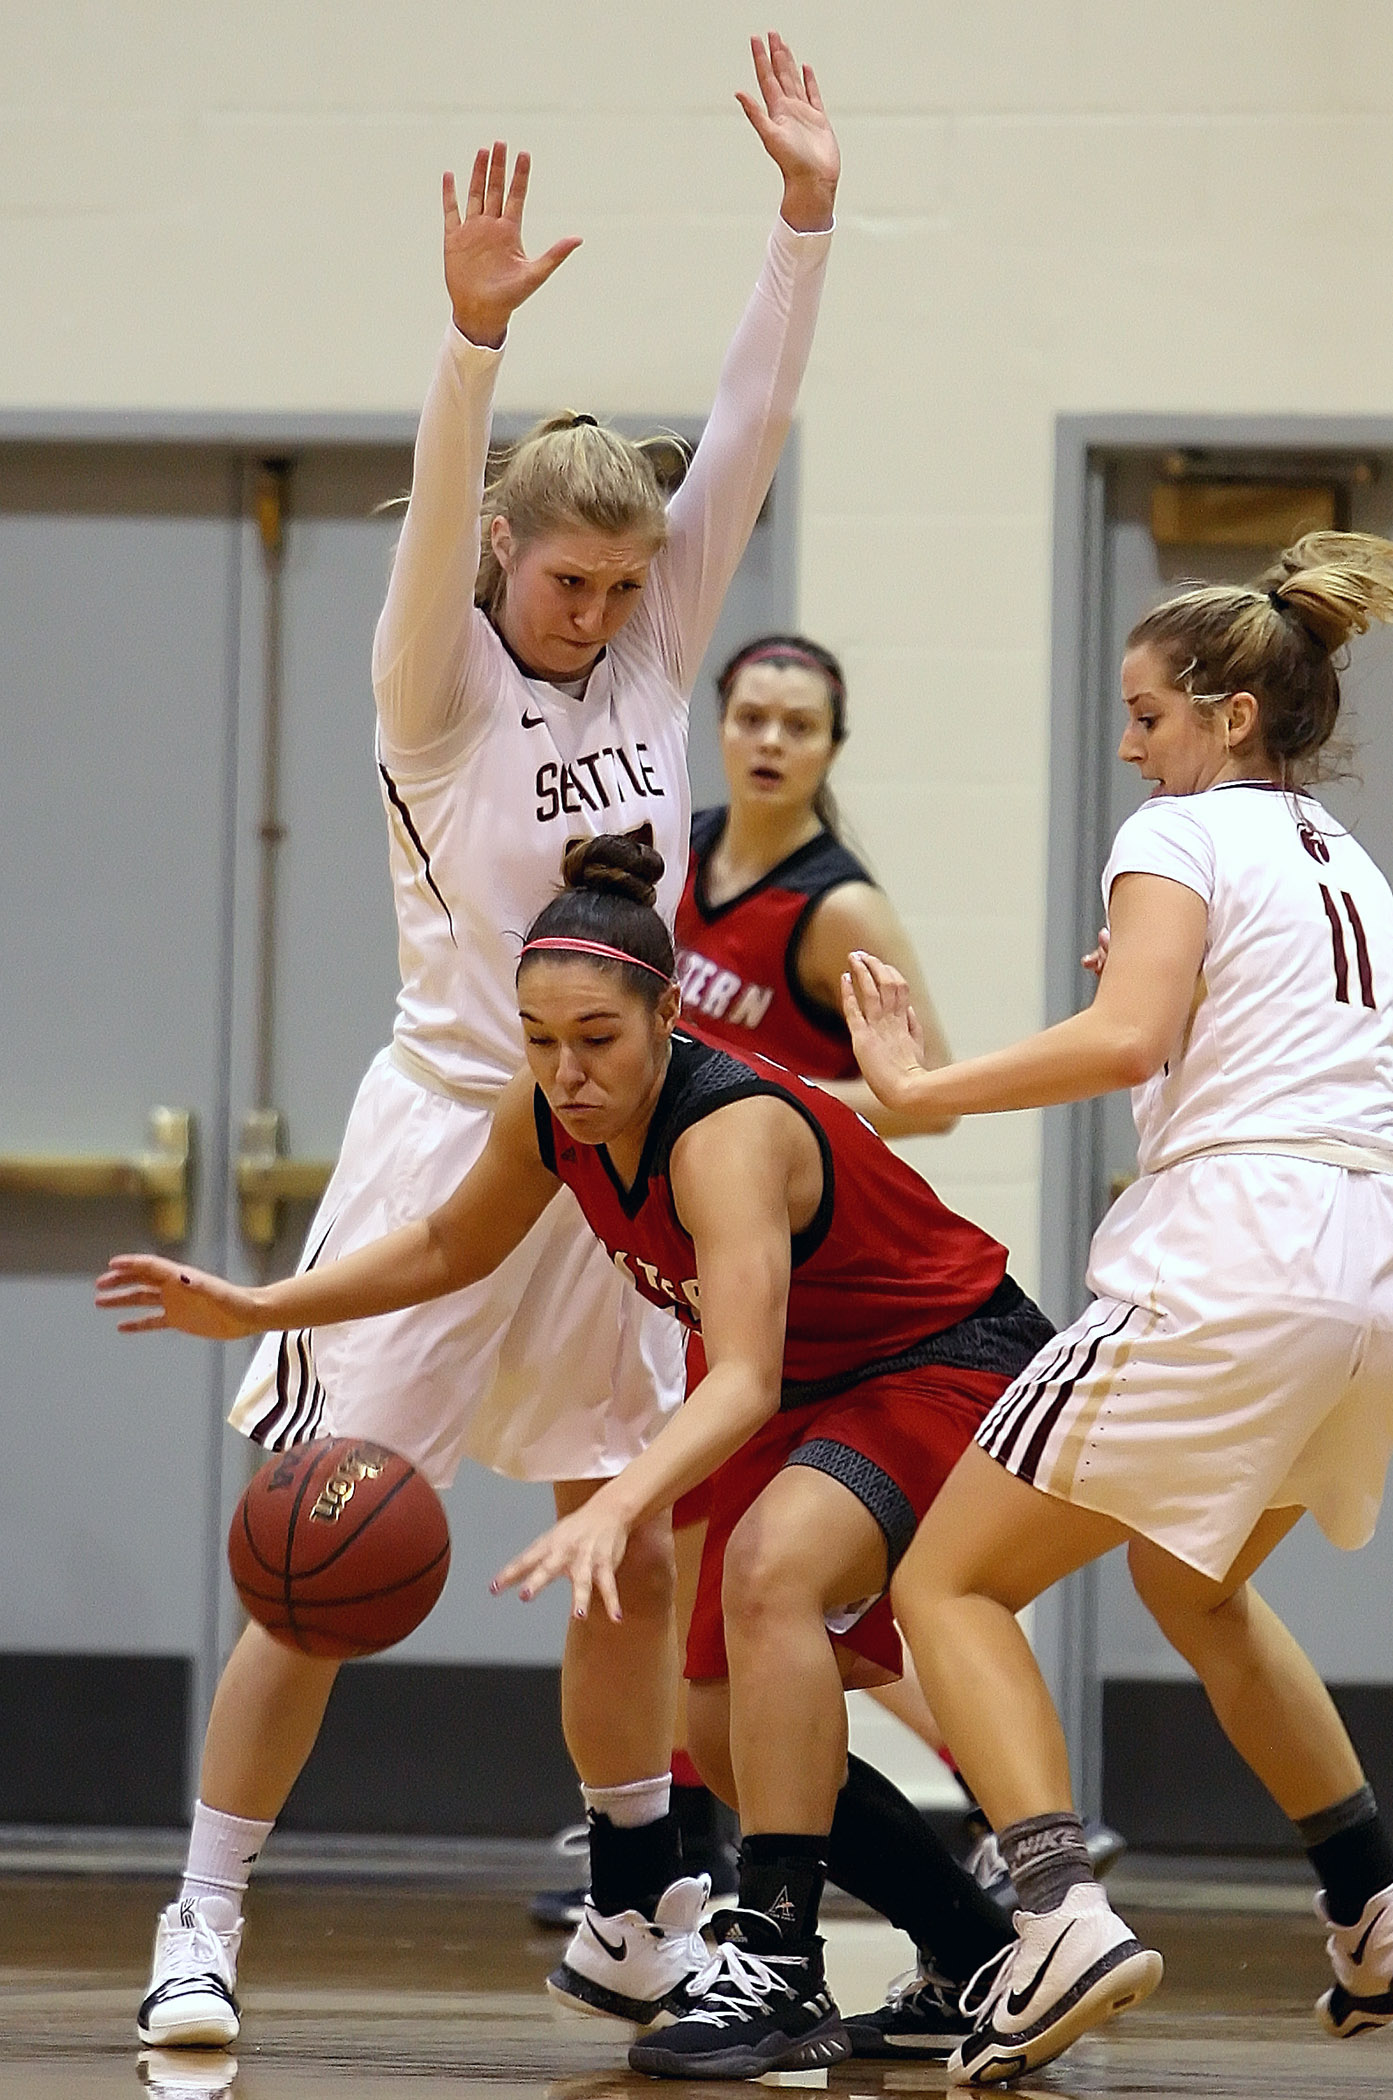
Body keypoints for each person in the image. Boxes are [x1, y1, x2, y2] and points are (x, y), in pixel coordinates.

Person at [119, 34, 840, 2052]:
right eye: (571, 576)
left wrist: (804, 221)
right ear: (509, 560)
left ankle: (635, 1907)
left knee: (630, 1541)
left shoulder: (661, 636)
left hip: (620, 1153)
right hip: (452, 1129)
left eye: (628, 582)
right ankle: (202, 1918)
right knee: (315, 1553)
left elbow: (751, 427)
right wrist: (466, 348)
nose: (604, 607)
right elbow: (452, 504)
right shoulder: (431, 677)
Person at [99, 831, 1054, 2076]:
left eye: (596, 1039)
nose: (565, 1070)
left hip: (945, 1359)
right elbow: (449, 1245)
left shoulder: (726, 1132)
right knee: (715, 1723)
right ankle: (975, 1952)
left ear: (667, 1013)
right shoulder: (551, 1114)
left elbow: (745, 1375)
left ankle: (773, 1963)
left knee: (769, 1572)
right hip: (820, 1389)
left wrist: (620, 1505)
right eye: (540, 1040)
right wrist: (261, 1304)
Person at [844, 531, 1393, 2086]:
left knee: (942, 1590)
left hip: (1235, 1259)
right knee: (1194, 1589)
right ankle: (1370, 1907)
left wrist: (923, 1089)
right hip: (1369, 1277)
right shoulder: (1349, 865)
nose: (1129, 740)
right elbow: (1230, 1037)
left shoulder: (1179, 834)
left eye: (1147, 712)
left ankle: (1052, 1909)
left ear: (1224, 718)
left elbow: (1127, 1036)